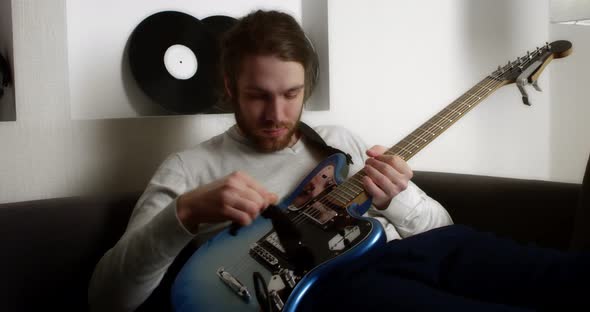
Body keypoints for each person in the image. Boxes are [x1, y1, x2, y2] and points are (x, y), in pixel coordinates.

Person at [88, 9, 588, 312]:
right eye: (258, 95)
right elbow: (107, 300)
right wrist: (184, 216)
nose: (276, 114)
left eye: (291, 94)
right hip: (326, 290)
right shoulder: (187, 168)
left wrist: (396, 202)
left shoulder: (338, 142)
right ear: (228, 89)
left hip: (402, 253)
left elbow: (439, 227)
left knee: (497, 255)